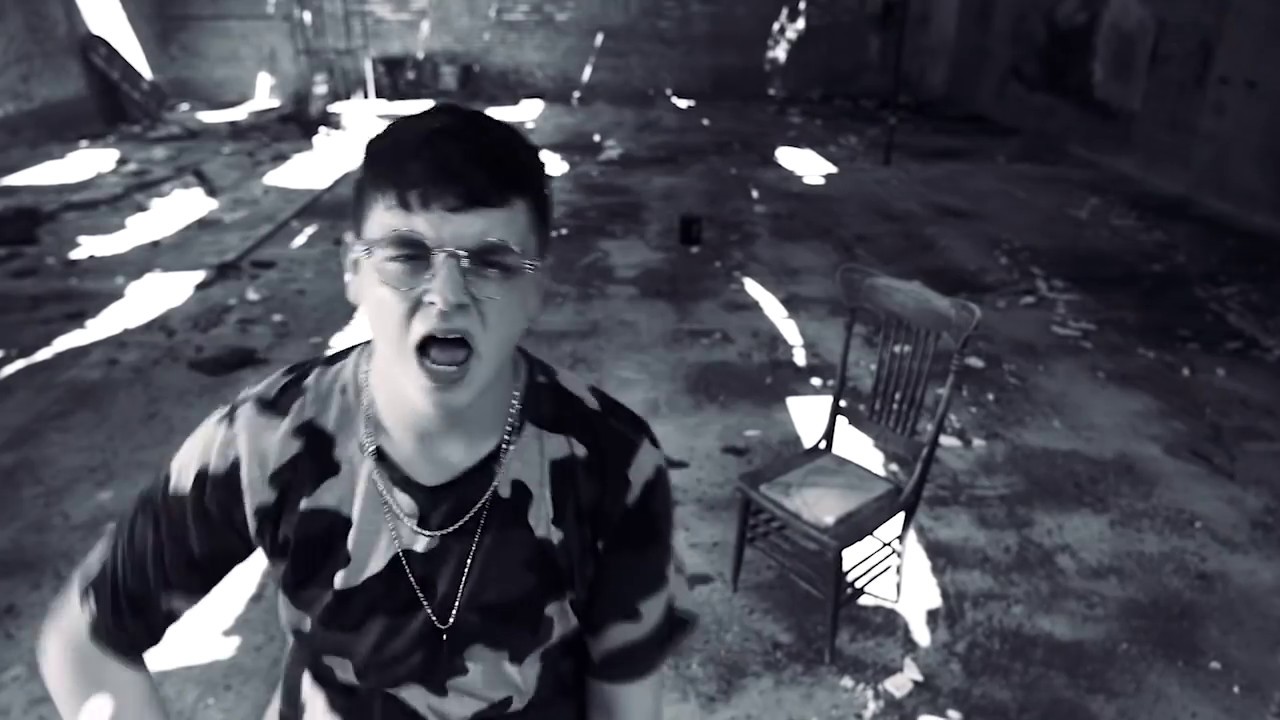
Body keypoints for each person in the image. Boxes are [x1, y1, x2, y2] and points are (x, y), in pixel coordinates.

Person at [36, 102, 698, 720]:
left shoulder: (612, 462)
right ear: (353, 270)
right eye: (407, 256)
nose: (446, 295)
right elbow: (84, 641)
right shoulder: (266, 438)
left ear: (537, 289)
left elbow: (626, 699)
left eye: (491, 262)